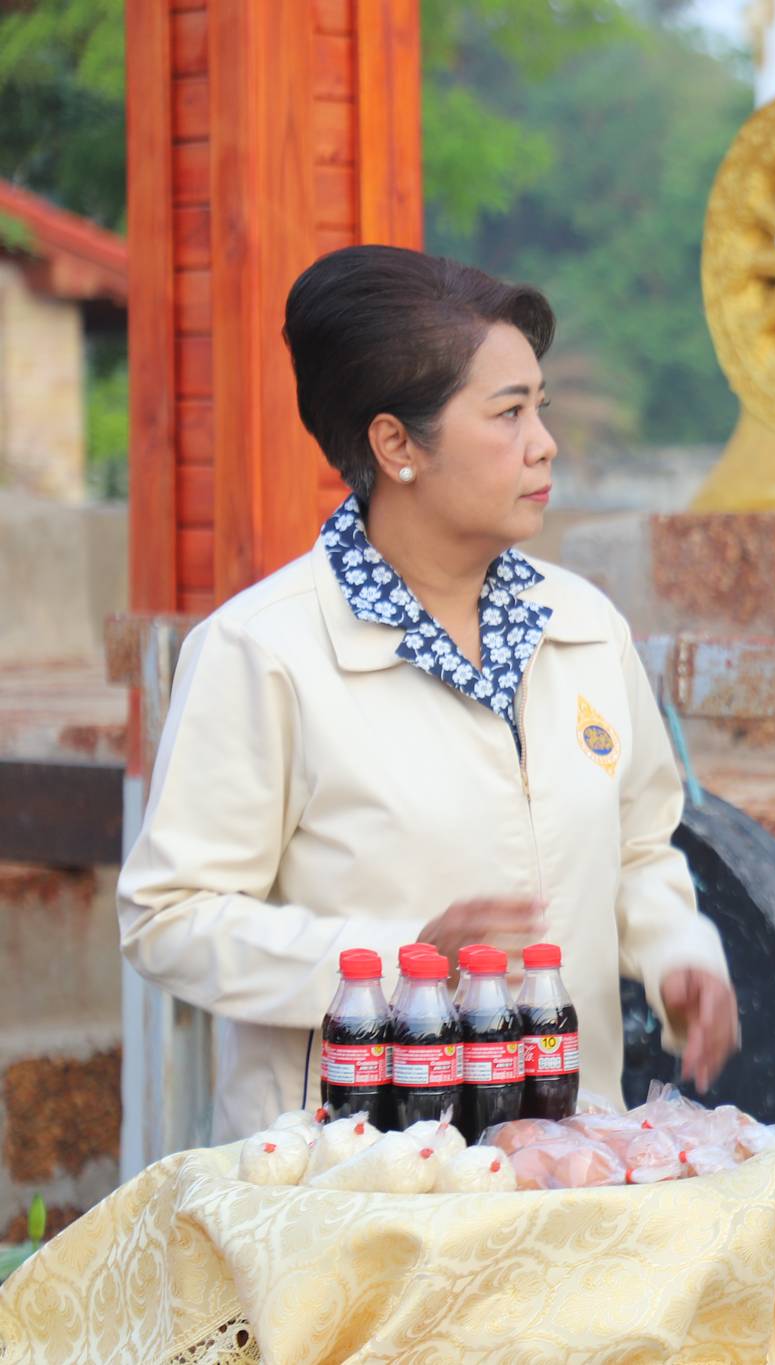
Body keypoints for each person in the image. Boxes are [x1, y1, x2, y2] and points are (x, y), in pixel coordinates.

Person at [118, 246, 740, 1140]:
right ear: (396, 444)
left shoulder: (585, 626)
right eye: (509, 413)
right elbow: (168, 917)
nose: (544, 443)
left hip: (566, 1156)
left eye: (541, 407)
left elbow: (641, 846)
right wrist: (396, 960)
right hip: (355, 1169)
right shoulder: (265, 650)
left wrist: (679, 953)